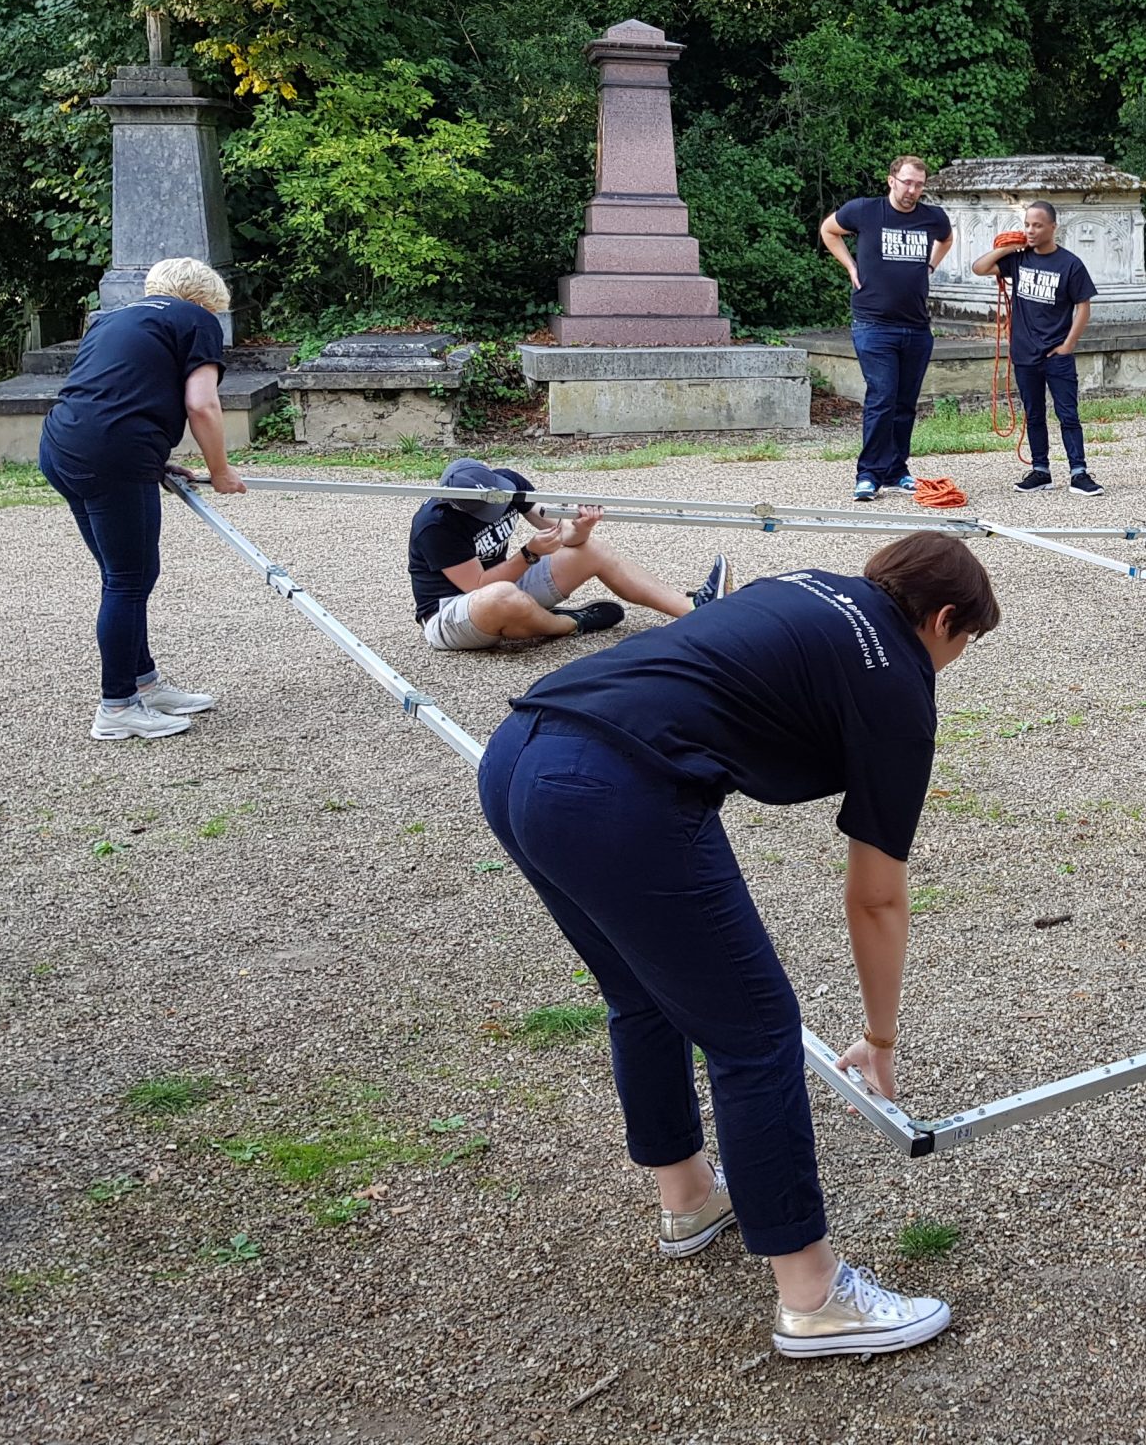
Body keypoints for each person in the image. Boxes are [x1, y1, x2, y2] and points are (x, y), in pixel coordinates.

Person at [476, 532, 1001, 1357]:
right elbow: (876, 894)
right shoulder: (899, 681)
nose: (953, 661)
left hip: (519, 754)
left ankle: (688, 1196)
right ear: (941, 620)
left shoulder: (808, 585)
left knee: (643, 993)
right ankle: (813, 1294)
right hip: (613, 791)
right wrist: (881, 1038)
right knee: (755, 1034)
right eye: (963, 644)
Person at [37, 258, 245, 742]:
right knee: (131, 579)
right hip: (114, 454)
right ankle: (117, 707)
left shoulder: (110, 319)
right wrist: (220, 470)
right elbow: (202, 403)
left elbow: (113, 391)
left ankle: (143, 683)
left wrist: (153, 465)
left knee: (122, 576)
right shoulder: (196, 319)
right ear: (203, 298)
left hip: (62, 447)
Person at [409, 458, 728, 652]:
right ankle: (569, 623)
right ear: (457, 504)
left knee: (592, 551)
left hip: (504, 585)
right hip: (452, 613)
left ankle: (693, 609)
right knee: (502, 596)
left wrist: (583, 527)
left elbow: (562, 534)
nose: (495, 511)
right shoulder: (435, 524)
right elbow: (478, 586)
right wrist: (529, 554)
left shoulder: (507, 483)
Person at [819, 155, 953, 503]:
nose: (912, 190)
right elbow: (828, 230)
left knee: (905, 402)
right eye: (907, 182)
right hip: (874, 323)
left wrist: (930, 267)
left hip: (916, 326)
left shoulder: (932, 217)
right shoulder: (865, 211)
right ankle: (869, 475)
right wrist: (850, 265)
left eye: (919, 184)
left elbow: (946, 239)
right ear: (891, 180)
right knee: (882, 396)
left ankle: (896, 469)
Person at [971, 200, 1101, 496]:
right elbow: (980, 268)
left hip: (1056, 354)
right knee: (1034, 413)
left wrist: (1068, 345)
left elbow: (1083, 307)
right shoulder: (1019, 260)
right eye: (1027, 224)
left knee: (1068, 414)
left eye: (1037, 225)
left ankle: (1078, 472)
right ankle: (1040, 470)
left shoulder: (1070, 264)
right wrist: (1010, 246)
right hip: (1024, 353)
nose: (1030, 230)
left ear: (1053, 228)